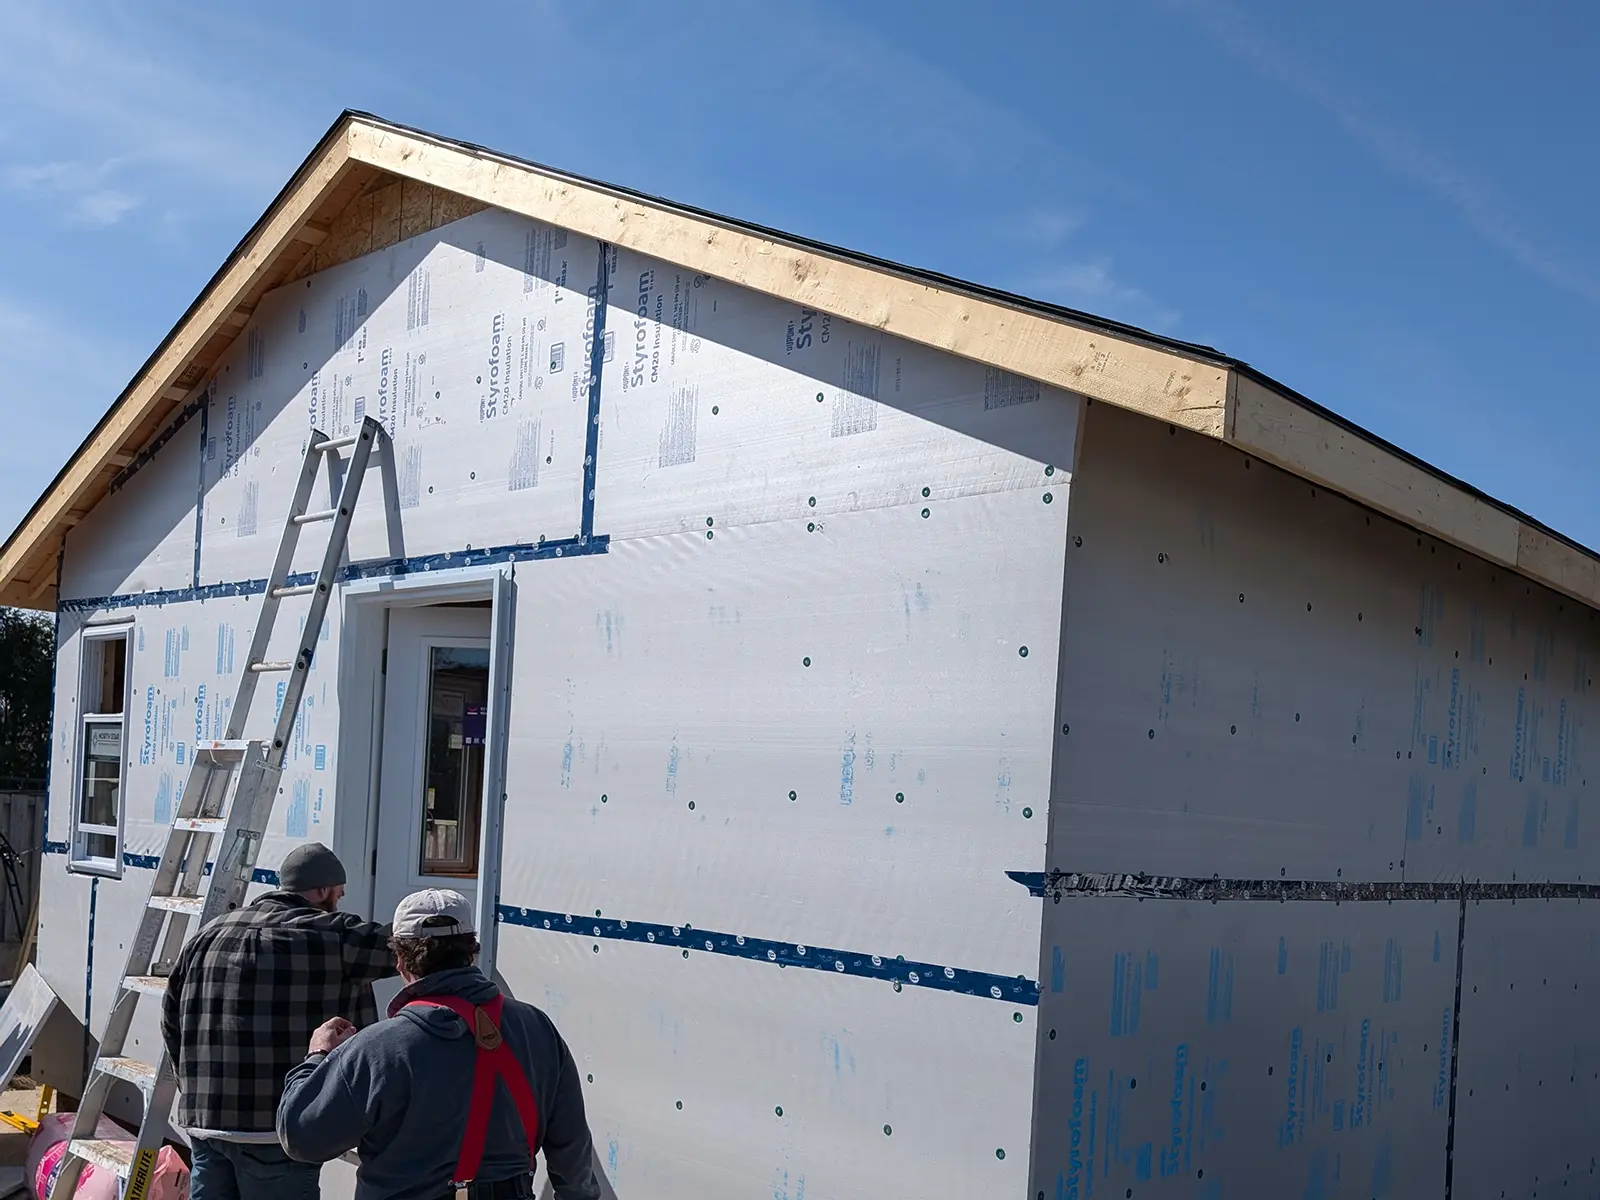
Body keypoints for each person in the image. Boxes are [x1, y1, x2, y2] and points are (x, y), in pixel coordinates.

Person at [277, 888, 602, 1200]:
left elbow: (302, 1138)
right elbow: (571, 1146)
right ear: (471, 951)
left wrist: (317, 1055)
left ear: (401, 961)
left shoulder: (377, 1048)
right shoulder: (536, 1026)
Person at [161, 842, 398, 1200]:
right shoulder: (332, 936)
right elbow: (409, 946)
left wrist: (194, 1087)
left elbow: (171, 1020)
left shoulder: (208, 934)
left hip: (205, 1122)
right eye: (338, 894)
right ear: (322, 891)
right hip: (276, 1132)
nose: (339, 902)